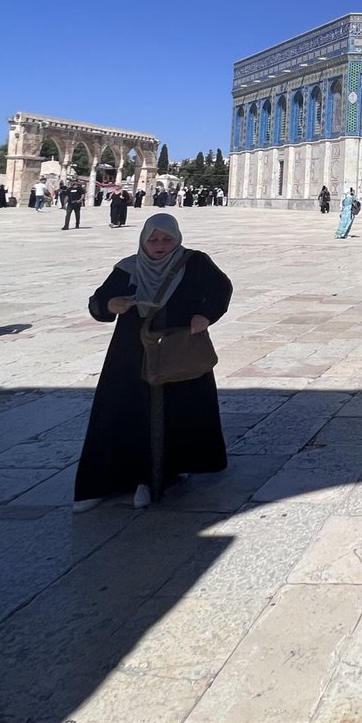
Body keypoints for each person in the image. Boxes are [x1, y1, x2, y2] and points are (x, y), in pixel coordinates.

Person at [73, 214, 233, 510]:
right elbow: (98, 302)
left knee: (175, 409)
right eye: (154, 239)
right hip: (131, 353)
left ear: (177, 238)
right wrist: (110, 305)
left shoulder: (193, 262)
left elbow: (220, 289)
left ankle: (159, 476)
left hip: (177, 348)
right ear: (144, 241)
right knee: (122, 409)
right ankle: (104, 482)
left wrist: (205, 315)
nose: (160, 245)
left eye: (167, 239)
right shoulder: (128, 267)